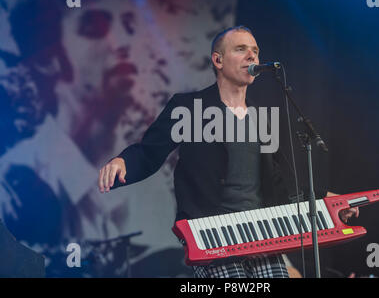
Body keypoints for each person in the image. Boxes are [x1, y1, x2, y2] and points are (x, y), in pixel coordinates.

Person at [98, 26, 359, 278]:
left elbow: (282, 183)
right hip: (214, 234)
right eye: (241, 49)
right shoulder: (189, 108)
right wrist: (123, 162)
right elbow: (148, 153)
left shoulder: (262, 118)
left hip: (263, 234)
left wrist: (324, 199)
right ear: (218, 60)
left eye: (255, 50)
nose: (252, 56)